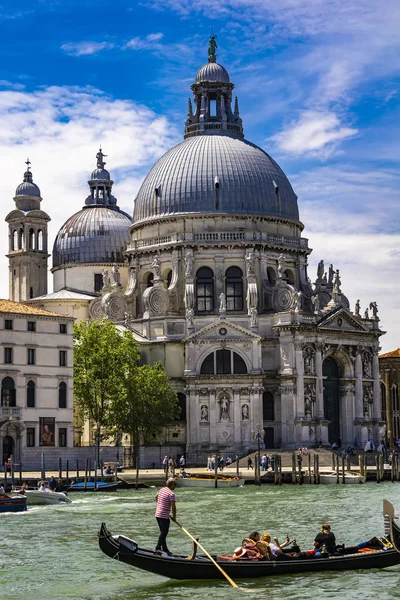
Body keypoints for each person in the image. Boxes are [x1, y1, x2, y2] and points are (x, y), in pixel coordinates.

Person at [155, 478, 177, 556]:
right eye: (175, 485)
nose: (176, 487)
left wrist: (160, 505)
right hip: (163, 515)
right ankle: (158, 548)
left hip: (157, 514)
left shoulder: (162, 489)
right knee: (164, 532)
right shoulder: (171, 494)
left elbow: (156, 497)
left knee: (162, 532)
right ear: (171, 485)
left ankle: (165, 548)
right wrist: (174, 517)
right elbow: (173, 507)